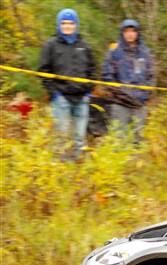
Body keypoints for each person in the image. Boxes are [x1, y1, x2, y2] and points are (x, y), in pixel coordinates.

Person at [37, 8, 96, 158]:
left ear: (76, 24)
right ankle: (59, 168)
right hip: (61, 98)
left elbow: (92, 69)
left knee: (79, 137)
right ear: (59, 25)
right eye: (64, 23)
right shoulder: (51, 45)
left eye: (71, 23)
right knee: (61, 137)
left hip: (82, 98)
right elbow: (43, 71)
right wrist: (54, 94)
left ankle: (77, 171)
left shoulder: (84, 45)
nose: (67, 26)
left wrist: (88, 91)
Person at [102, 19, 155, 142]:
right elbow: (107, 75)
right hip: (120, 102)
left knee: (138, 139)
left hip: (139, 103)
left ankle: (137, 161)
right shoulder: (114, 52)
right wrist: (120, 94)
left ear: (137, 33)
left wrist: (144, 96)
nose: (130, 34)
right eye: (127, 31)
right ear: (122, 33)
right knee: (119, 138)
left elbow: (151, 76)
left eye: (133, 31)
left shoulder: (145, 53)